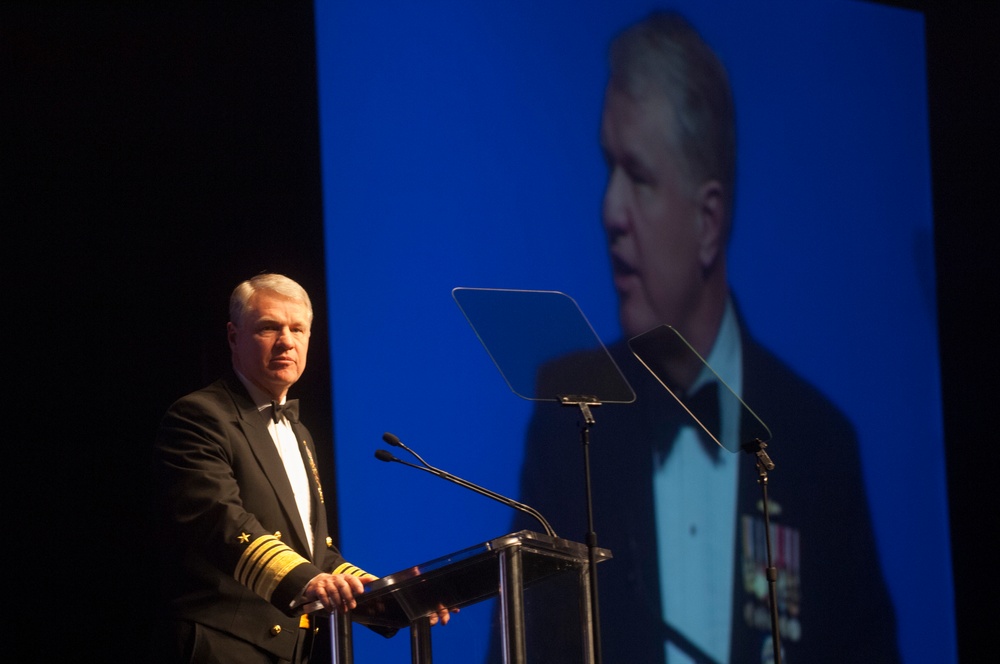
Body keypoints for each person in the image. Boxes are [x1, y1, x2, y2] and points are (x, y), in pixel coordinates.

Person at [491, 11, 900, 664]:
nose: (609, 211)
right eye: (607, 168)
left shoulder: (819, 443)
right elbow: (523, 648)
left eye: (639, 176)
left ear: (709, 222)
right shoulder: (571, 410)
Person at [152, 273, 451, 664]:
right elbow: (221, 521)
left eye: (298, 329)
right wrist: (308, 581)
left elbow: (316, 556)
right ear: (233, 336)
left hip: (291, 650)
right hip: (222, 643)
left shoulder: (300, 433)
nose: (286, 341)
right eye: (269, 328)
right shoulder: (199, 415)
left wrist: (394, 599)